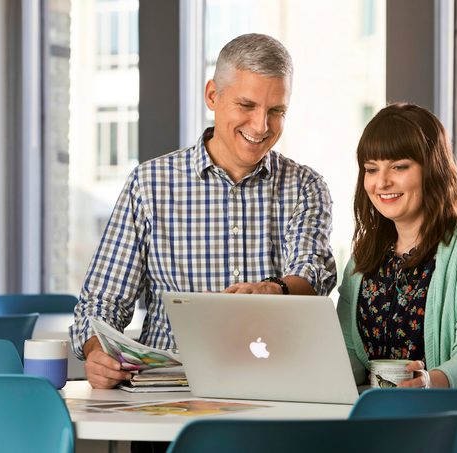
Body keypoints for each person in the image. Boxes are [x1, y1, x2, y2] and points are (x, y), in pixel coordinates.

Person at [69, 33, 337, 390]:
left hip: (273, 391)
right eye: (247, 105)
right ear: (213, 95)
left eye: (276, 111)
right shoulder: (150, 185)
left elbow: (311, 274)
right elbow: (102, 301)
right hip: (167, 394)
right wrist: (96, 352)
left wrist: (274, 290)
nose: (261, 126)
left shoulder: (305, 186)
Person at [337, 102, 457, 389]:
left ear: (433, 169)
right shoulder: (363, 257)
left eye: (399, 166)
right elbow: (347, 358)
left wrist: (429, 384)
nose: (381, 182)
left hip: (456, 424)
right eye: (371, 169)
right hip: (377, 422)